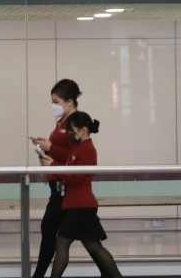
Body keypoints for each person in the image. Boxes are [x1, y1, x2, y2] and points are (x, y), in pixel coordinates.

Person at [40, 111, 124, 278]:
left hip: (80, 206)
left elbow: (76, 177)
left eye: (73, 130)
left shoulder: (87, 150)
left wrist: (54, 166)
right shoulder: (79, 148)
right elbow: (70, 172)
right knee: (93, 245)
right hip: (79, 205)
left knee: (62, 243)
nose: (71, 134)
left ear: (83, 130)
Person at [28, 78, 82, 278]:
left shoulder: (76, 122)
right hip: (57, 185)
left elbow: (77, 154)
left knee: (51, 230)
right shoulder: (62, 122)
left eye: (56, 101)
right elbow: (62, 151)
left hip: (65, 188)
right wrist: (44, 149)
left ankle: (38, 275)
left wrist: (52, 150)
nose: (53, 106)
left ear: (69, 101)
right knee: (62, 237)